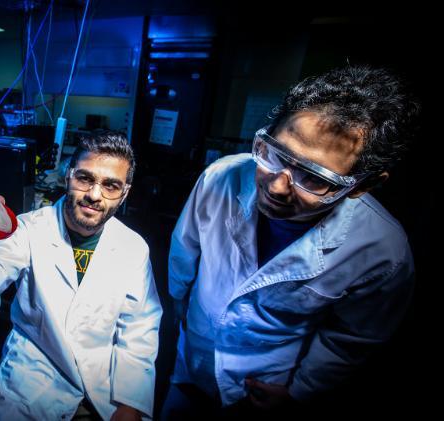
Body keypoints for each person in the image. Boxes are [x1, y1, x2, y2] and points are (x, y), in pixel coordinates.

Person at [162, 65, 420, 417]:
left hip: (262, 386)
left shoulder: (381, 252)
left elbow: (350, 340)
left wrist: (300, 391)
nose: (277, 186)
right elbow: (183, 259)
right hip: (191, 354)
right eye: (276, 155)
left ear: (362, 185)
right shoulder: (220, 177)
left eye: (313, 178)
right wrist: (177, 322)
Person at [0, 132, 162, 420]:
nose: (94, 194)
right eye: (85, 178)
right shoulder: (28, 229)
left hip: (104, 391)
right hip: (31, 387)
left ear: (124, 193)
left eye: (111, 185)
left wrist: (131, 404)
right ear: (68, 176)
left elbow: (139, 329)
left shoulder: (133, 248)